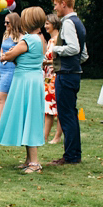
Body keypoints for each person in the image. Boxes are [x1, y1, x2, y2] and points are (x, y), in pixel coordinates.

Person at [0, 6, 48, 173]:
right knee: (27, 117)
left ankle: (34, 163)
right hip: (32, 79)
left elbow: (8, 56)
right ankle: (28, 160)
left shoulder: (28, 40)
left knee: (29, 118)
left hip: (25, 81)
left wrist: (3, 55)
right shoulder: (41, 39)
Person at [49, 0, 87, 166]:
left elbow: (74, 49)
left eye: (56, 4)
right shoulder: (79, 23)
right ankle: (74, 154)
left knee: (66, 116)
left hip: (66, 75)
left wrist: (55, 50)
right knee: (70, 114)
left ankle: (71, 156)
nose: (55, 8)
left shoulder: (69, 23)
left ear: (64, 4)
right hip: (74, 74)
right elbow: (84, 54)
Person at [41, 14, 63, 146]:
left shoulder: (58, 40)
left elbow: (59, 60)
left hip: (56, 77)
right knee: (48, 107)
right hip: (48, 77)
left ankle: (57, 136)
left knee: (58, 107)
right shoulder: (50, 41)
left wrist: (46, 63)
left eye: (47, 23)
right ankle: (44, 135)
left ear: (54, 24)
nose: (45, 26)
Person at [0, 12, 23, 117]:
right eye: (5, 22)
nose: (5, 25)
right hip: (1, 67)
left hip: (11, 68)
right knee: (2, 98)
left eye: (8, 23)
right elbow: (2, 49)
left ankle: (2, 125)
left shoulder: (21, 37)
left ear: (14, 23)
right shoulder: (6, 34)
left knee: (0, 97)